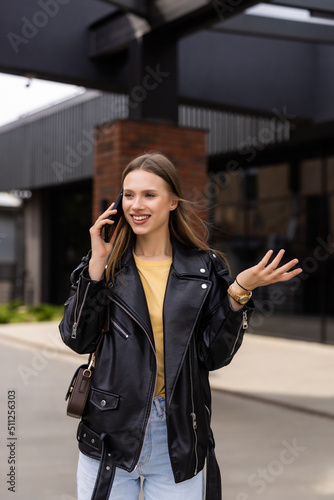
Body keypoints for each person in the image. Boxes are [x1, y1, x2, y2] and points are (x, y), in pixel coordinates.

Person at [59, 152, 302, 500]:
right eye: (129, 194)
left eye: (149, 195)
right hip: (109, 433)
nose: (136, 205)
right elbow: (76, 338)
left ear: (173, 201)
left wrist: (238, 291)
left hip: (179, 435)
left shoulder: (205, 267)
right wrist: (97, 263)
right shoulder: (106, 263)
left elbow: (213, 355)